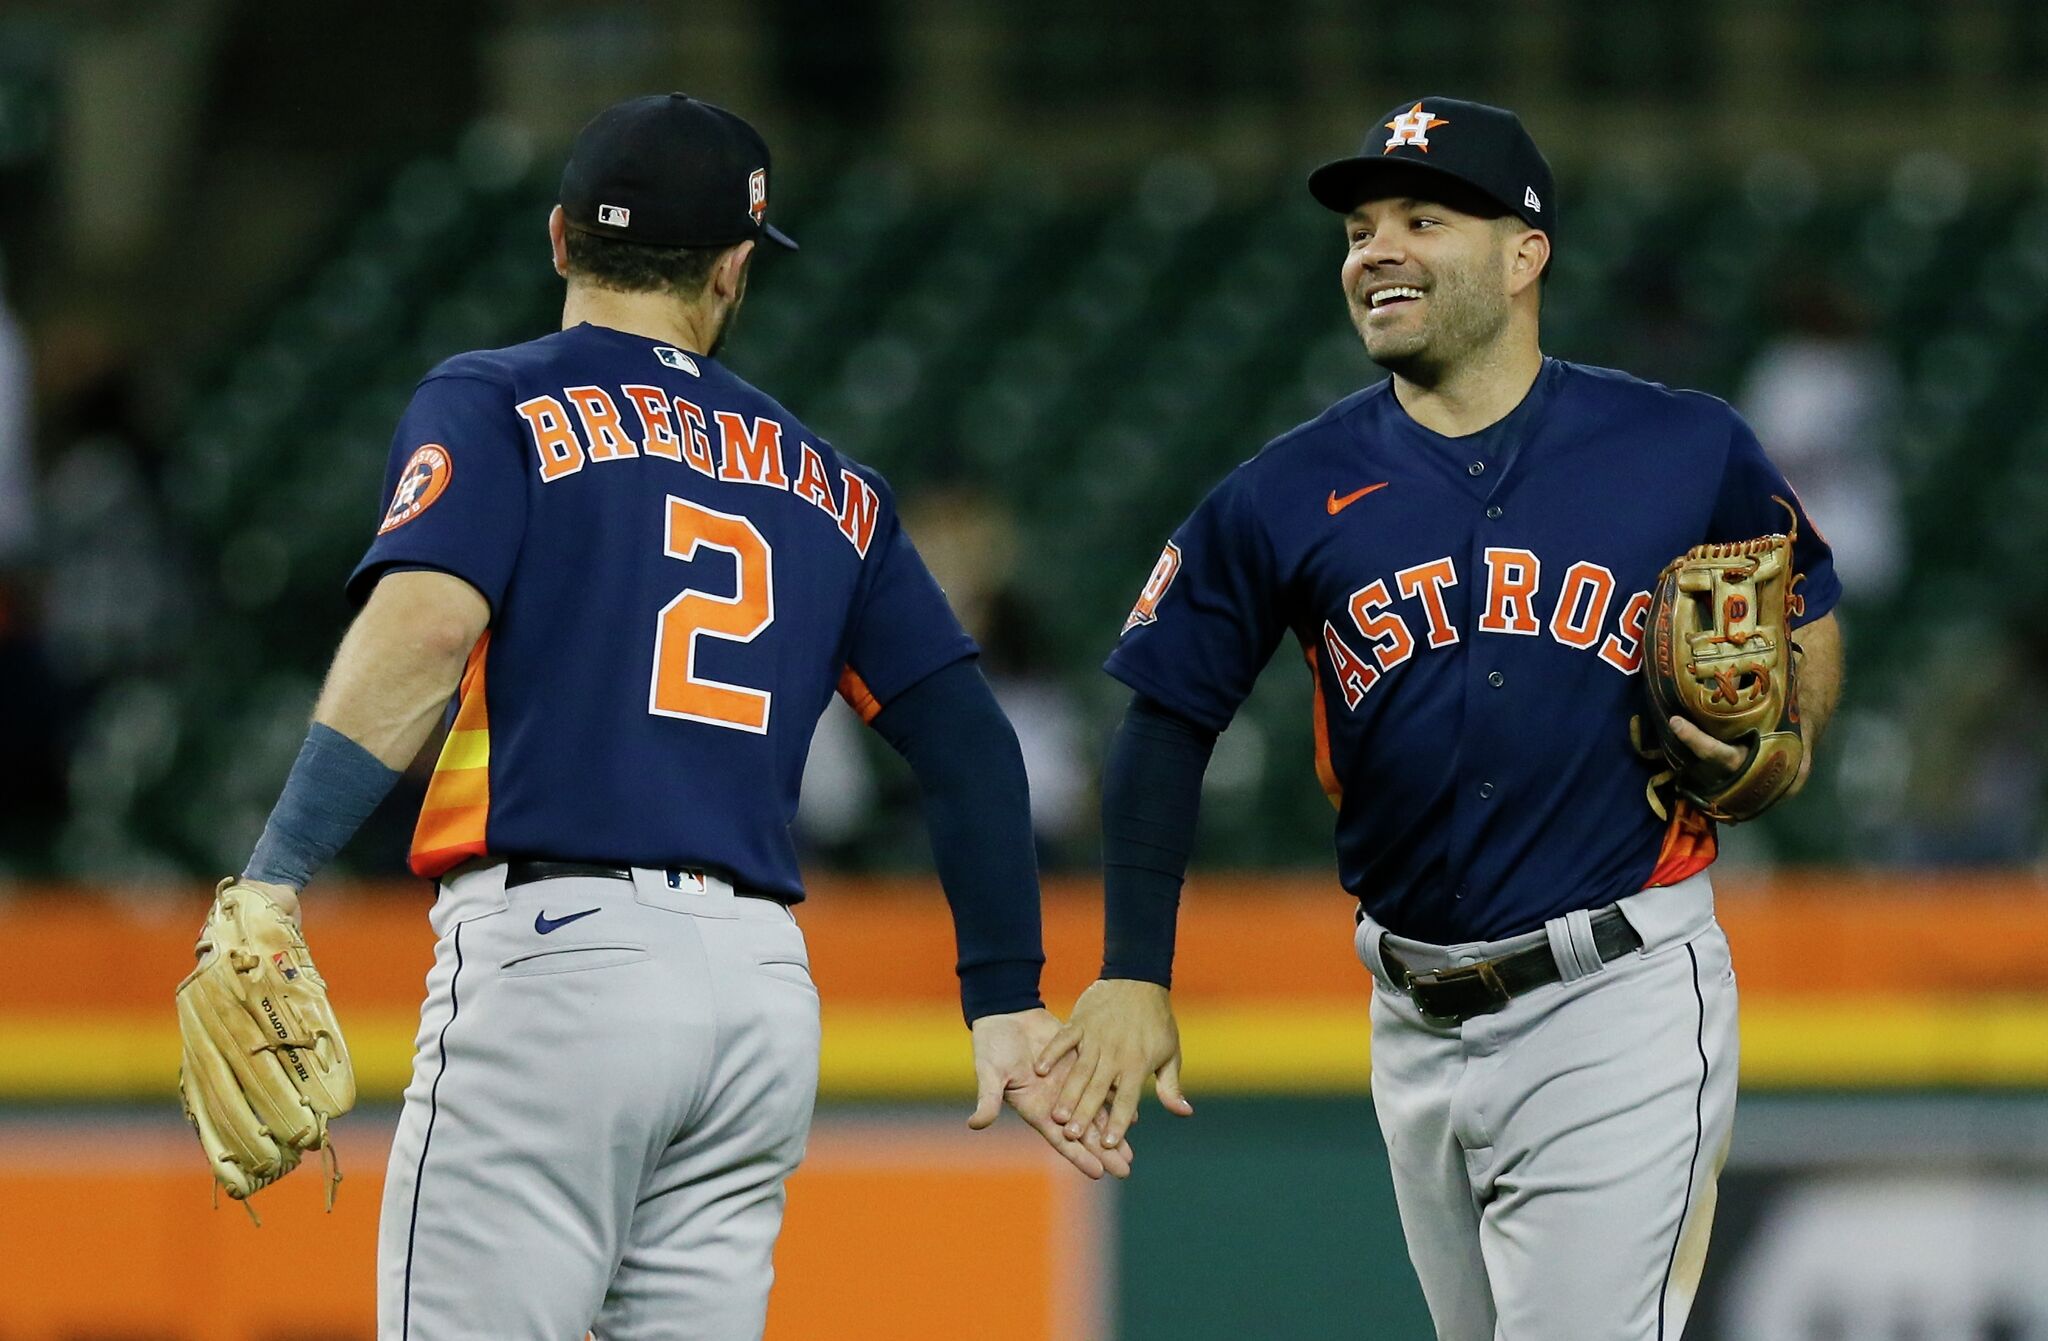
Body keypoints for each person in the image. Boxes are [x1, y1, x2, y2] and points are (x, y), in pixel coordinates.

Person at [214, 94, 1126, 1341]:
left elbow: (425, 626)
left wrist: (276, 874)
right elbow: (971, 742)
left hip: (558, 957)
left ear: (557, 239)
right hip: (755, 994)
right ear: (732, 266)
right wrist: (1005, 996)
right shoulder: (834, 483)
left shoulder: (496, 400)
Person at [1038, 96, 1844, 1339]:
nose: (1374, 249)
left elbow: (1805, 604)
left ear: (1525, 255)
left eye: (1422, 217)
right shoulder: (1286, 489)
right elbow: (1163, 712)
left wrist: (1784, 737)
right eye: (1360, 228)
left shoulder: (1680, 447)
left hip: (1616, 987)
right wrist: (1132, 970)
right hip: (1409, 1015)